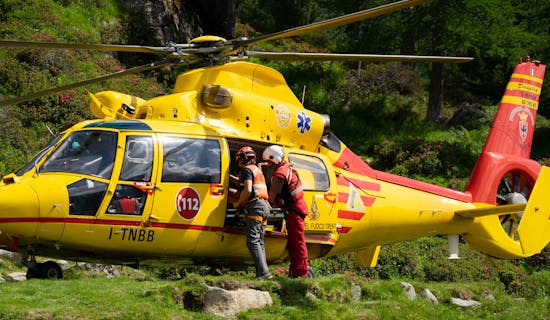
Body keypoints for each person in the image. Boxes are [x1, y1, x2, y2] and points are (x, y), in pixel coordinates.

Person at [262, 145, 310, 278]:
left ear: (275, 159)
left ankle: (301, 273)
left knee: (297, 243)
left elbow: (271, 197)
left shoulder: (280, 174)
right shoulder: (287, 167)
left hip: (294, 211)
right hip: (296, 209)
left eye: (269, 162)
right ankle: (295, 272)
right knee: (295, 243)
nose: (268, 165)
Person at [233, 146, 272, 280]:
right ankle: (262, 273)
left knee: (253, 241)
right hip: (264, 206)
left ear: (243, 158)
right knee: (259, 241)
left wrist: (238, 203)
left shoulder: (246, 170)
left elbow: (248, 190)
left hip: (255, 206)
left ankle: (264, 274)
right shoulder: (256, 170)